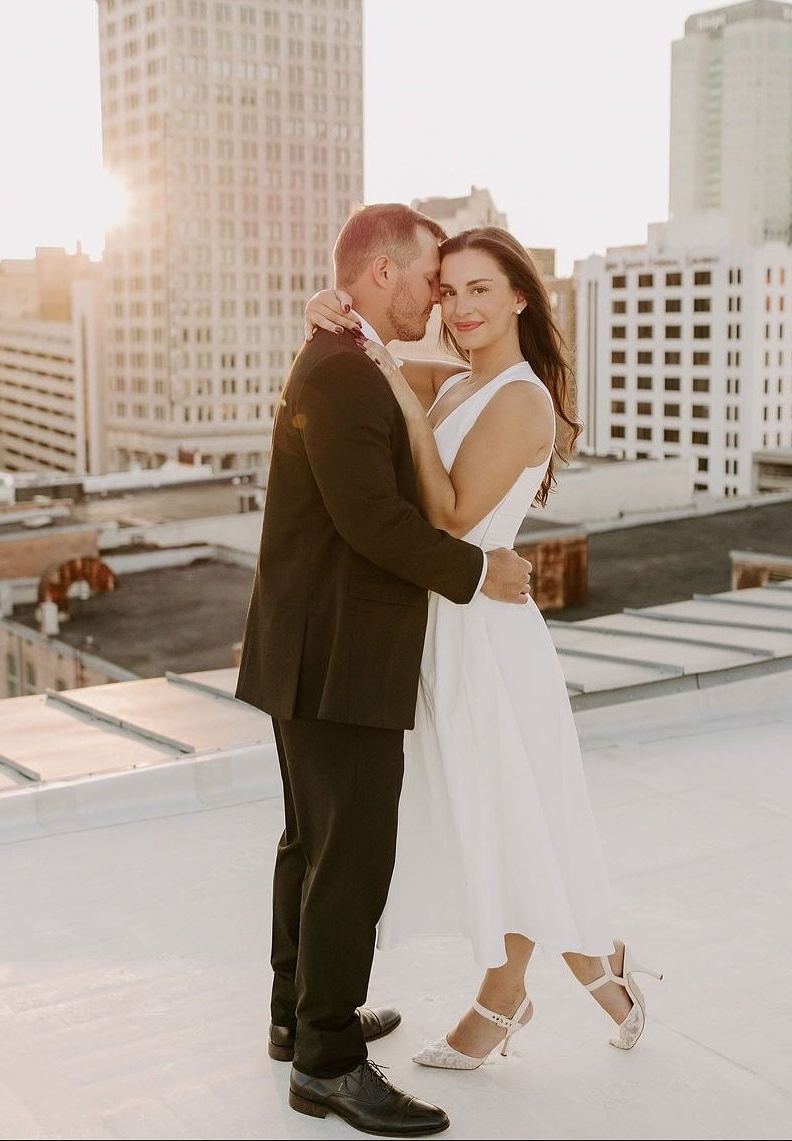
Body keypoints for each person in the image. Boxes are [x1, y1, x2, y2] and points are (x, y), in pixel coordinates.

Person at [304, 225, 662, 1073]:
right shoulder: (460, 379)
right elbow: (365, 352)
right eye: (450, 289)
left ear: (519, 299)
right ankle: (590, 965)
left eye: (479, 290)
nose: (459, 307)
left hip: (490, 644)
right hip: (445, 629)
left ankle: (508, 997)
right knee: (484, 820)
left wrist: (397, 381)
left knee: (506, 816)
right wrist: (328, 311)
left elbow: (454, 516)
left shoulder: (521, 397)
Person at [235, 204, 534, 1137]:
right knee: (351, 859)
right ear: (381, 275)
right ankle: (328, 1062)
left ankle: (300, 1016)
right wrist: (483, 571)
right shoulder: (345, 369)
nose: (437, 297)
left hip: (308, 650)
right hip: (339, 658)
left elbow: (454, 381)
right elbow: (375, 523)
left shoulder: (349, 357)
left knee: (311, 847)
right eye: (430, 278)